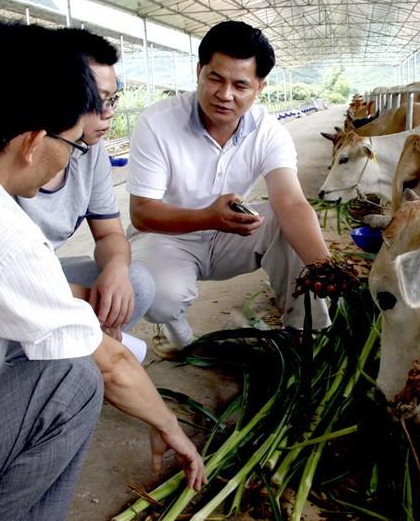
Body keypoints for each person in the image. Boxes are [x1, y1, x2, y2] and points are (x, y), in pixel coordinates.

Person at [0, 22, 205, 520]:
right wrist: (171, 427)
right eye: (73, 144)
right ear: (35, 141)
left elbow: (110, 240)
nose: (77, 154)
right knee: (71, 382)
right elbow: (111, 363)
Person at [127, 20, 331, 357]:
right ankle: (178, 328)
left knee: (290, 227)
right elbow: (142, 214)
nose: (225, 95)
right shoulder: (157, 123)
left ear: (259, 88)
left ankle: (305, 332)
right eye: (215, 79)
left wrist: (325, 267)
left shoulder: (268, 131)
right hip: (166, 236)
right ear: (198, 72)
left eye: (240, 85)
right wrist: (208, 216)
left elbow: (291, 202)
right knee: (160, 296)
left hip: (230, 234)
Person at [17, 28, 154, 344]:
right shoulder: (11, 165)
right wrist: (81, 303)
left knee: (135, 284)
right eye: (97, 100)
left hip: (41, 275)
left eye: (112, 98)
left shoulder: (92, 153)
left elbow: (109, 234)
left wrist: (116, 270)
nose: (109, 113)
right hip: (10, 284)